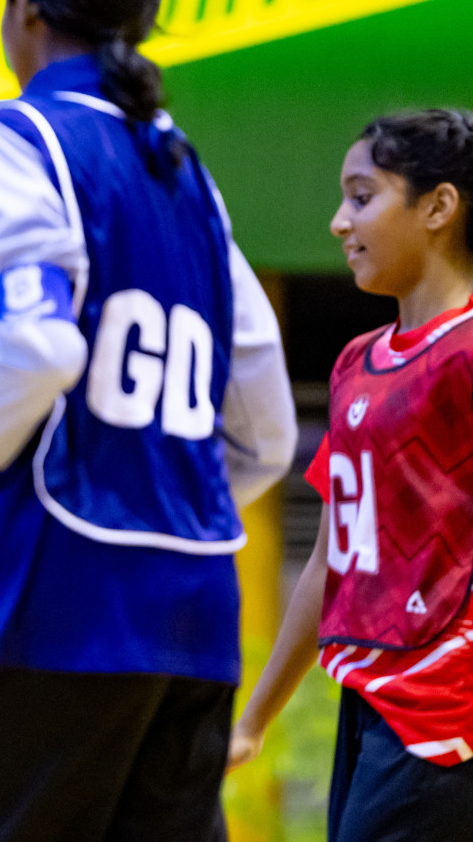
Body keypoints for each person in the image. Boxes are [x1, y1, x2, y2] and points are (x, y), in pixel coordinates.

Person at [0, 0, 296, 842]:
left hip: (55, 597)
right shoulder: (187, 173)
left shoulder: (15, 138)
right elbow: (268, 428)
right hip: (198, 615)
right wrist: (161, 495)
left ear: (23, 6)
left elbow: (41, 341)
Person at [228, 110, 473, 841]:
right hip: (369, 706)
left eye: (361, 197)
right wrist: (256, 719)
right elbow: (334, 558)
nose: (339, 222)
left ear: (437, 206)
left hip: (447, 720)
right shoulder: (357, 361)